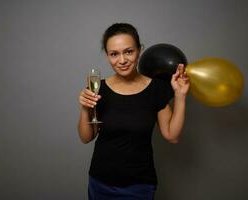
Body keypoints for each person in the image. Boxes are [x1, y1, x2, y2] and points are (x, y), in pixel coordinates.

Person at [78, 23, 190, 200]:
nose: (122, 60)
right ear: (107, 56)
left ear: (139, 50)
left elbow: (172, 135)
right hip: (100, 183)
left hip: (139, 186)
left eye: (128, 51)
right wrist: (85, 108)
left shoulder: (156, 89)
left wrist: (180, 96)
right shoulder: (98, 88)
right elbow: (86, 137)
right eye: (114, 54)